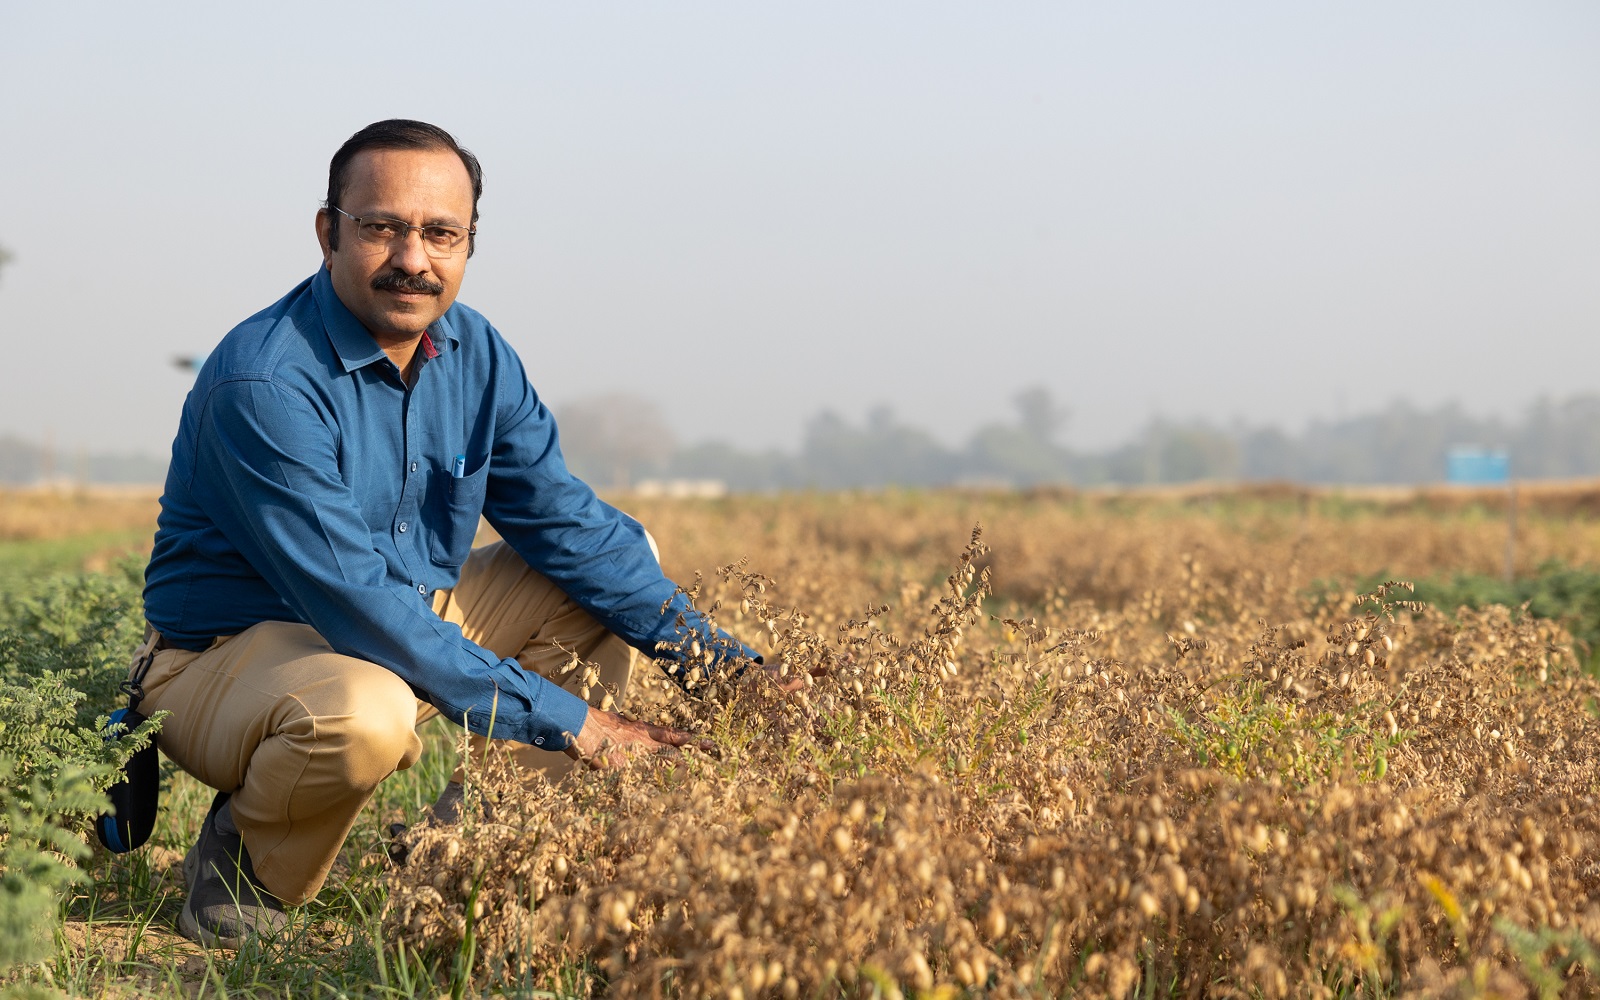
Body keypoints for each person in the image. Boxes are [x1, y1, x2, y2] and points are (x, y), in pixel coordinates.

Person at [137, 119, 773, 948]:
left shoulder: (476, 353)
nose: (414, 258)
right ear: (329, 232)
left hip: (394, 613)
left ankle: (466, 858)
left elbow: (568, 526)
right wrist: (574, 721)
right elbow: (356, 602)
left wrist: (723, 668)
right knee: (366, 711)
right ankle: (245, 865)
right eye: (382, 228)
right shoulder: (266, 382)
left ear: (469, 242)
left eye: (441, 233)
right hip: (224, 659)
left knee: (613, 568)